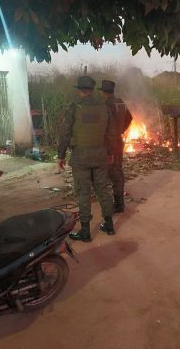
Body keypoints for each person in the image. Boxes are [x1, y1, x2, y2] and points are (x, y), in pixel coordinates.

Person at [57, 76, 117, 242]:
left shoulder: (75, 107)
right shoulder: (103, 107)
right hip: (100, 156)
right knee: (103, 190)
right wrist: (111, 153)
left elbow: (65, 133)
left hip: (81, 158)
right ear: (92, 89)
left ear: (79, 89)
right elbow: (111, 133)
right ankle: (109, 224)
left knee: (83, 194)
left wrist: (60, 155)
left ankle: (85, 231)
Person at [98, 80, 133, 213]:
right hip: (118, 141)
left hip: (108, 143)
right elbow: (130, 118)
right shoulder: (120, 102)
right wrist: (121, 130)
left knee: (110, 173)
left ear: (103, 92)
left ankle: (116, 205)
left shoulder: (105, 105)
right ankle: (119, 202)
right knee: (118, 170)